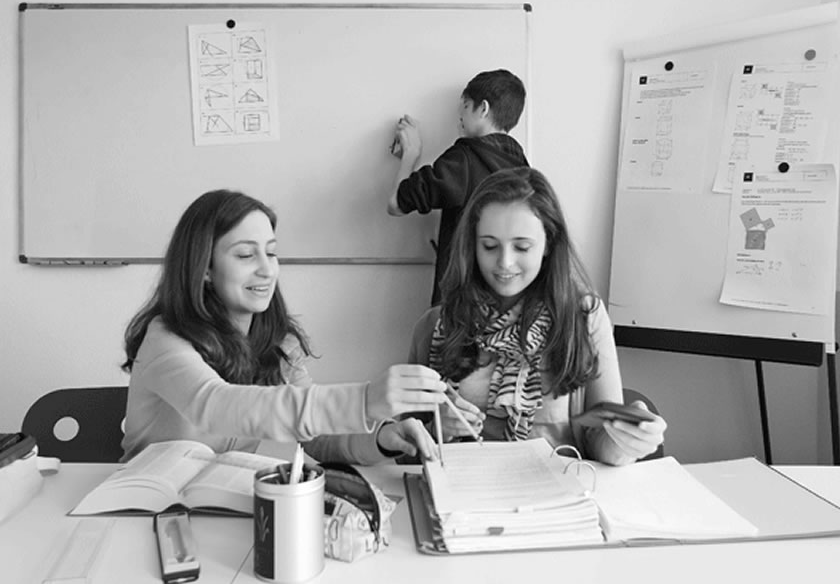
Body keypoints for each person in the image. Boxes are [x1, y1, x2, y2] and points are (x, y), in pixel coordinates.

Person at [121, 189, 446, 464]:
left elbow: (315, 435)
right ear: (205, 269)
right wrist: (362, 401)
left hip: (224, 502)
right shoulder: (164, 337)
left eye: (271, 252)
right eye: (246, 255)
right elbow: (216, 405)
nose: (267, 270)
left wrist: (383, 437)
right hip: (148, 504)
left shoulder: (278, 340)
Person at [407, 168, 667, 465]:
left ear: (548, 244)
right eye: (489, 246)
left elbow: (600, 443)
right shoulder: (434, 326)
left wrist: (627, 441)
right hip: (464, 488)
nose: (505, 262)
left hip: (559, 485)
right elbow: (405, 448)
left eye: (522, 247)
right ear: (472, 245)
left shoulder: (583, 317)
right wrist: (436, 430)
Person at [387, 68, 530, 305]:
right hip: (508, 302)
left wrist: (410, 153)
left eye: (464, 106)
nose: (459, 116)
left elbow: (395, 204)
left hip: (462, 304)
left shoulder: (464, 159)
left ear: (483, 108)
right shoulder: (524, 169)